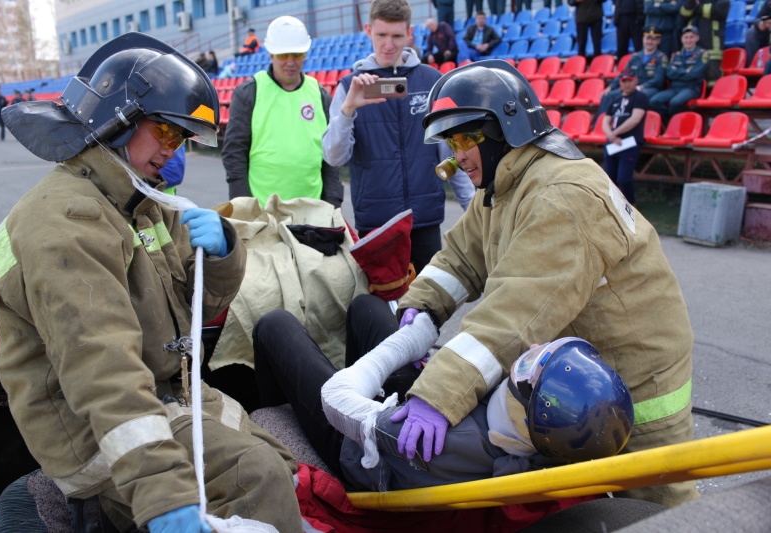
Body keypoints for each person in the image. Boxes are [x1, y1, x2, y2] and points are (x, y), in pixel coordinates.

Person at [0, 33, 303, 533]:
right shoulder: (64, 222)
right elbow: (99, 369)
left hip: (166, 393)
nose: (175, 155)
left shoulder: (137, 202)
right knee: (255, 477)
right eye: (167, 135)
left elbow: (195, 311)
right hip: (94, 428)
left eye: (183, 141)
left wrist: (223, 254)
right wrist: (159, 492)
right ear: (119, 122)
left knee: (278, 462)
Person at [388, 59, 698, 508]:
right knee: (592, 502)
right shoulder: (503, 184)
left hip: (638, 380)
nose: (456, 155)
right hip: (582, 375)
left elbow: (514, 315)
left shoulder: (560, 197)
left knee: (656, 507)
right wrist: (421, 306)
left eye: (463, 138)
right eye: (450, 141)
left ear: (505, 129)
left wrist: (439, 394)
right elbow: (461, 258)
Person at [253, 299, 634, 491]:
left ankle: (269, 421)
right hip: (423, 416)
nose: (531, 346)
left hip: (358, 446)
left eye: (531, 360)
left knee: (274, 325)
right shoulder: (543, 434)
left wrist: (413, 338)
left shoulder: (448, 443)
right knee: (366, 307)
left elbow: (337, 399)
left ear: (529, 407)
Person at [322, 0, 474, 274]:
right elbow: (334, 157)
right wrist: (348, 111)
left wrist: (473, 210)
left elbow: (452, 153)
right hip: (376, 223)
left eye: (396, 36)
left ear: (409, 33)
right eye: (381, 35)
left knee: (427, 308)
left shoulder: (431, 81)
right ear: (368, 30)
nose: (388, 45)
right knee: (384, 309)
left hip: (425, 220)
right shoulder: (350, 87)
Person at [223, 15, 343, 208]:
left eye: (297, 55)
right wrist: (243, 204)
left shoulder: (319, 94)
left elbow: (330, 157)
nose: (290, 62)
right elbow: (234, 152)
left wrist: (333, 202)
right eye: (283, 55)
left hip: (312, 209)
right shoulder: (249, 93)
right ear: (271, 54)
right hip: (263, 210)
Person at [602, 68, 649, 206]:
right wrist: (610, 136)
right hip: (612, 143)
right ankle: (612, 205)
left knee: (624, 178)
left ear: (636, 81)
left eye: (630, 80)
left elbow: (635, 119)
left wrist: (614, 133)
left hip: (629, 142)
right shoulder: (615, 99)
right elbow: (605, 120)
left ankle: (631, 206)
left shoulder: (640, 97)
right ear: (620, 82)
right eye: (624, 81)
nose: (627, 84)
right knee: (609, 178)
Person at [599, 26, 668, 114]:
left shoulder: (661, 57)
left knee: (636, 96)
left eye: (653, 39)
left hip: (651, 88)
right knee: (607, 95)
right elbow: (624, 73)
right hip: (632, 87)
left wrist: (641, 87)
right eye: (648, 38)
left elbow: (659, 80)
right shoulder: (636, 56)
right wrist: (611, 87)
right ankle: (600, 124)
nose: (650, 42)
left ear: (658, 41)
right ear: (643, 39)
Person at [649, 26, 708, 121]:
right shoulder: (676, 55)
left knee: (675, 102)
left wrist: (677, 71)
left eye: (691, 37)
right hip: (674, 88)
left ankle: (675, 124)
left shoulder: (703, 53)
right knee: (654, 101)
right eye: (686, 37)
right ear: (681, 39)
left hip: (691, 88)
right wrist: (686, 71)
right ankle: (668, 121)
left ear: (697, 38)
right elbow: (669, 73)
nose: (688, 40)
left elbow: (695, 74)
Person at [680, 0, 729, 80]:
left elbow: (718, 10)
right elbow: (684, 13)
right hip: (693, 43)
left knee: (712, 74)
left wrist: (697, 7)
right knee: (692, 73)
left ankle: (714, 92)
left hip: (712, 43)